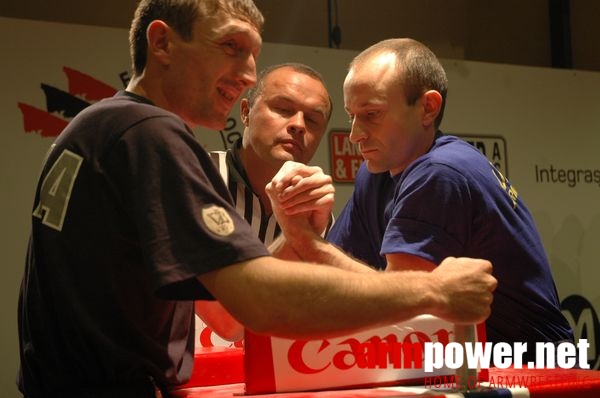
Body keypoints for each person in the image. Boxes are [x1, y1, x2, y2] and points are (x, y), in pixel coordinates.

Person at [16, 0, 497, 395]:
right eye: (230, 46)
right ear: (161, 43)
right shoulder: (149, 133)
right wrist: (435, 291)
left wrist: (301, 239)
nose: (247, 72)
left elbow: (225, 316)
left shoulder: (104, 125)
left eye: (252, 56)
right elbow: (260, 302)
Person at [325, 37, 573, 360]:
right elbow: (336, 283)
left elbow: (394, 306)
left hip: (536, 372)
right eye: (351, 116)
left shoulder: (441, 172)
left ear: (428, 108)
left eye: (372, 114)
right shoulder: (375, 174)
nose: (355, 134)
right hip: (470, 366)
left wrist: (308, 245)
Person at [197, 63, 333, 340]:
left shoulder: (316, 209)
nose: (297, 125)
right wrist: (299, 238)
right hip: (183, 375)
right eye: (283, 109)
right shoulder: (197, 177)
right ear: (245, 113)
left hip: (268, 375)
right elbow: (228, 325)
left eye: (313, 120)